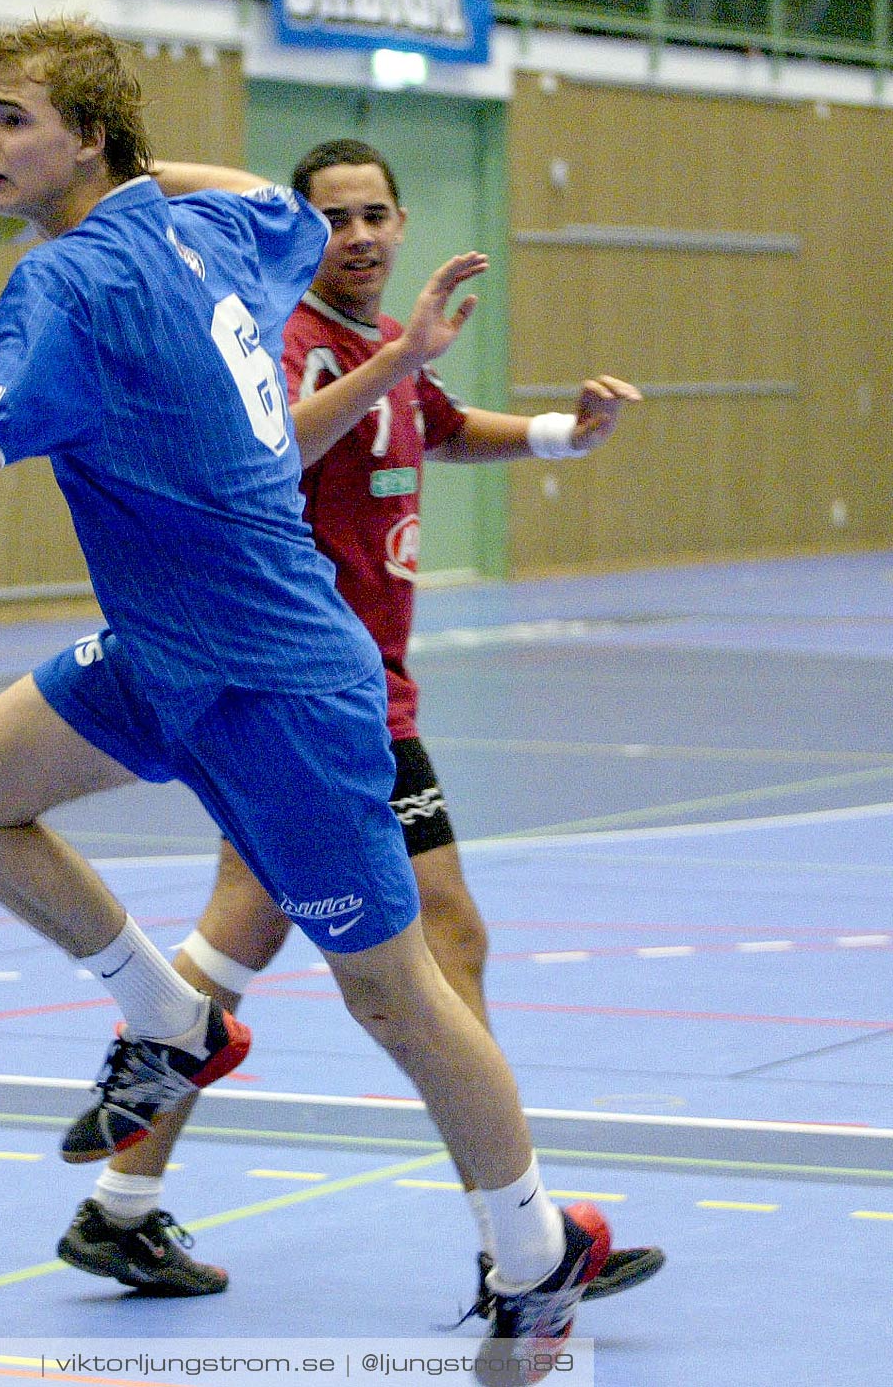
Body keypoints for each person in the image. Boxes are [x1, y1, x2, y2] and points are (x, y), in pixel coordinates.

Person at [0, 23, 622, 1382]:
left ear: (90, 138)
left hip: (282, 683)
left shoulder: (65, 285)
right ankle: (172, 1017)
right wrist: (112, 156)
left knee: (398, 994)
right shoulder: (224, 234)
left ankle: (536, 1259)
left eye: (9, 119)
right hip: (155, 654)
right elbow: (267, 196)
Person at [48, 138, 665, 1326]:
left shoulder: (377, 353)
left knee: (236, 948)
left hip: (348, 697)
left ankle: (120, 1208)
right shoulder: (279, 336)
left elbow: (431, 424)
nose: (365, 236)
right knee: (445, 944)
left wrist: (553, 435)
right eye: (336, 219)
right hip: (318, 699)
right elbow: (280, 445)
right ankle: (519, 1241)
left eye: (380, 211)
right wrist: (395, 361)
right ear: (296, 231)